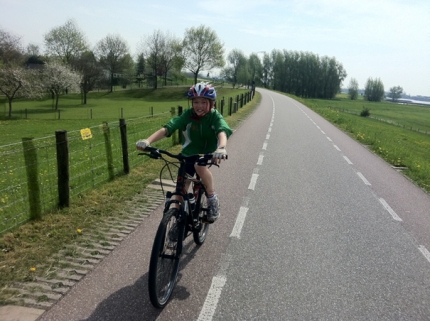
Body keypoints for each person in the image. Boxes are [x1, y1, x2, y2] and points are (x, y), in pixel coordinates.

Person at [136, 82, 232, 223]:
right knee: (180, 189)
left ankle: (212, 198)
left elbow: (222, 132)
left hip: (209, 152)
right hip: (189, 153)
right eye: (195, 102)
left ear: (212, 103)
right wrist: (148, 141)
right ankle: (178, 220)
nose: (199, 106)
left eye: (203, 102)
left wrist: (221, 148)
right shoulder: (188, 115)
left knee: (199, 167)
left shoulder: (215, 117)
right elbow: (168, 128)